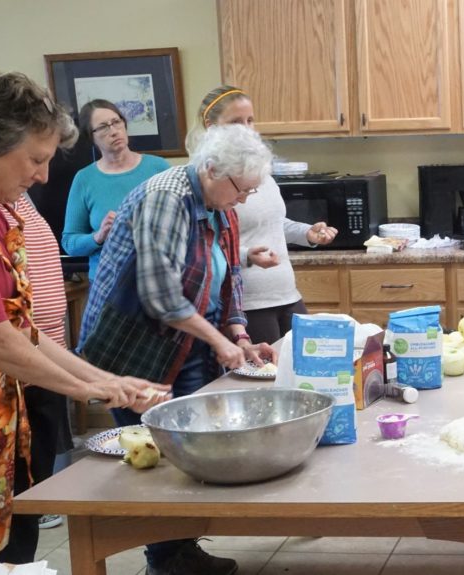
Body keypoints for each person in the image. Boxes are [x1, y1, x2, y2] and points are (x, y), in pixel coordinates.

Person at [0, 71, 166, 560]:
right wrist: (88, 390)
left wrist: (105, 378)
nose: (43, 176)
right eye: (36, 159)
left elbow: (24, 329)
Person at [78, 123, 277, 575]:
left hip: (191, 339)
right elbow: (160, 296)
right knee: (160, 455)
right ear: (211, 169)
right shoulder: (165, 198)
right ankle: (164, 561)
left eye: (250, 190)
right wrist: (220, 342)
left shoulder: (219, 202)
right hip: (136, 345)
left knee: (188, 453)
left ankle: (180, 552)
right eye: (241, 189)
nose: (244, 199)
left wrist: (239, 334)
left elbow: (229, 276)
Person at [192, 86, 337, 344]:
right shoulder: (211, 179)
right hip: (247, 304)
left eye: (250, 120)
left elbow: (272, 222)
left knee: (305, 369)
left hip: (286, 293)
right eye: (236, 122)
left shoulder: (260, 171)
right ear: (211, 127)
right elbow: (204, 245)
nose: (247, 129)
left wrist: (307, 233)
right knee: (267, 375)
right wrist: (247, 254)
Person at [62, 99, 169, 280]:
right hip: (108, 286)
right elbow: (69, 243)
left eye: (116, 122)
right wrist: (99, 236)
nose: (113, 131)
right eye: (103, 127)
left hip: (160, 280)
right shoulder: (84, 179)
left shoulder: (158, 168)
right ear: (91, 136)